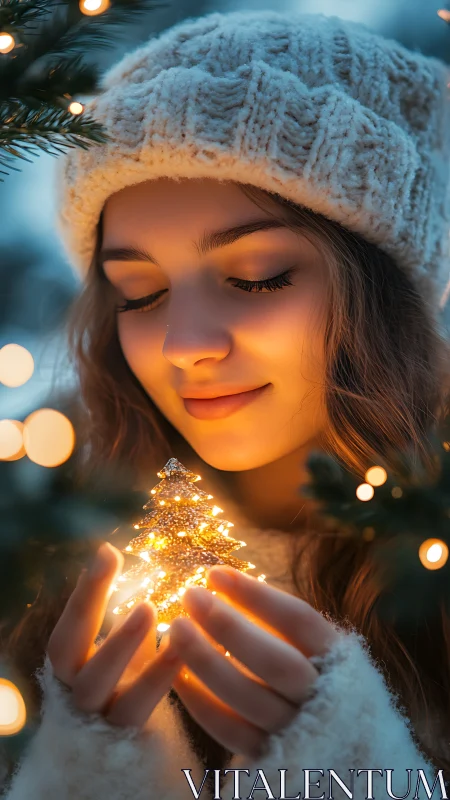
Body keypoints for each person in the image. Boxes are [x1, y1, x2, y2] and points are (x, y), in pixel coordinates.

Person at [2, 8, 450, 799]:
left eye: (258, 277)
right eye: (138, 292)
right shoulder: (43, 553)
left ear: (384, 297)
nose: (183, 344)